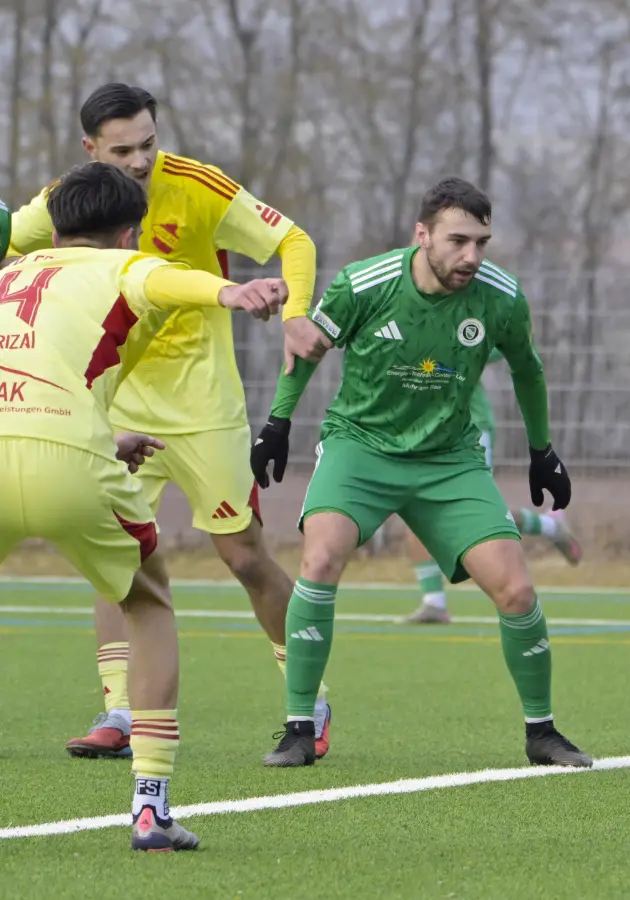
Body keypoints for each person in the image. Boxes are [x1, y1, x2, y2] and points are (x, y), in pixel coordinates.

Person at [4, 83, 331, 760]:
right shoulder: (72, 198)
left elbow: (292, 240)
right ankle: (118, 711)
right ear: (90, 149)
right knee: (115, 564)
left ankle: (307, 701)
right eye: (122, 149)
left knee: (243, 557)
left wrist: (294, 310)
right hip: (115, 408)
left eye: (149, 142)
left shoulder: (197, 186)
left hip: (203, 406)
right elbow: (12, 242)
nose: (141, 159)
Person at [250, 177, 590, 769]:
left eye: (481, 242)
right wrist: (276, 425)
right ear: (422, 234)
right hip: (361, 447)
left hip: (448, 460)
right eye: (458, 241)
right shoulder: (365, 282)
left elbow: (528, 371)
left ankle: (543, 732)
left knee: (517, 590)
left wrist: (543, 451)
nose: (472, 257)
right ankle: (300, 727)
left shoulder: (500, 296)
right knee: (321, 558)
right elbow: (307, 351)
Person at [0, 162, 287, 850]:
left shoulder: (9, 274)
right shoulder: (125, 265)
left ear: (56, 224)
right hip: (68, 463)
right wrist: (234, 290)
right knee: (148, 603)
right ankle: (152, 807)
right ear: (128, 231)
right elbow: (170, 281)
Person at [399, 347, 582, 626]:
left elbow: (499, 345)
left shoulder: (461, 315)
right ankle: (433, 603)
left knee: (477, 516)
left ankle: (549, 527)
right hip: (421, 431)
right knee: (413, 505)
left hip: (468, 429)